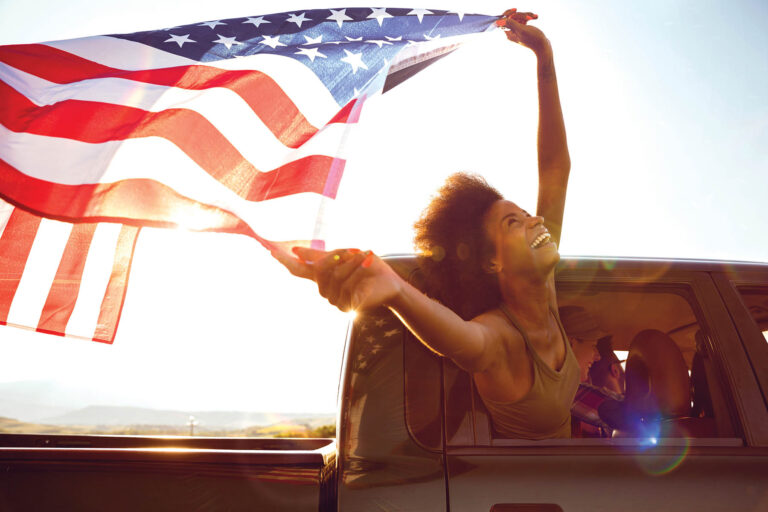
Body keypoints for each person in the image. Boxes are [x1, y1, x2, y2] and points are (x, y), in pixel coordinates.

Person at [273, 9, 576, 440]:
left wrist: (544, 57)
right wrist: (396, 291)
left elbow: (555, 168)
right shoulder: (499, 338)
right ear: (493, 264)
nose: (536, 220)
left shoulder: (544, 293)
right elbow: (461, 341)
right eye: (516, 221)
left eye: (527, 215)